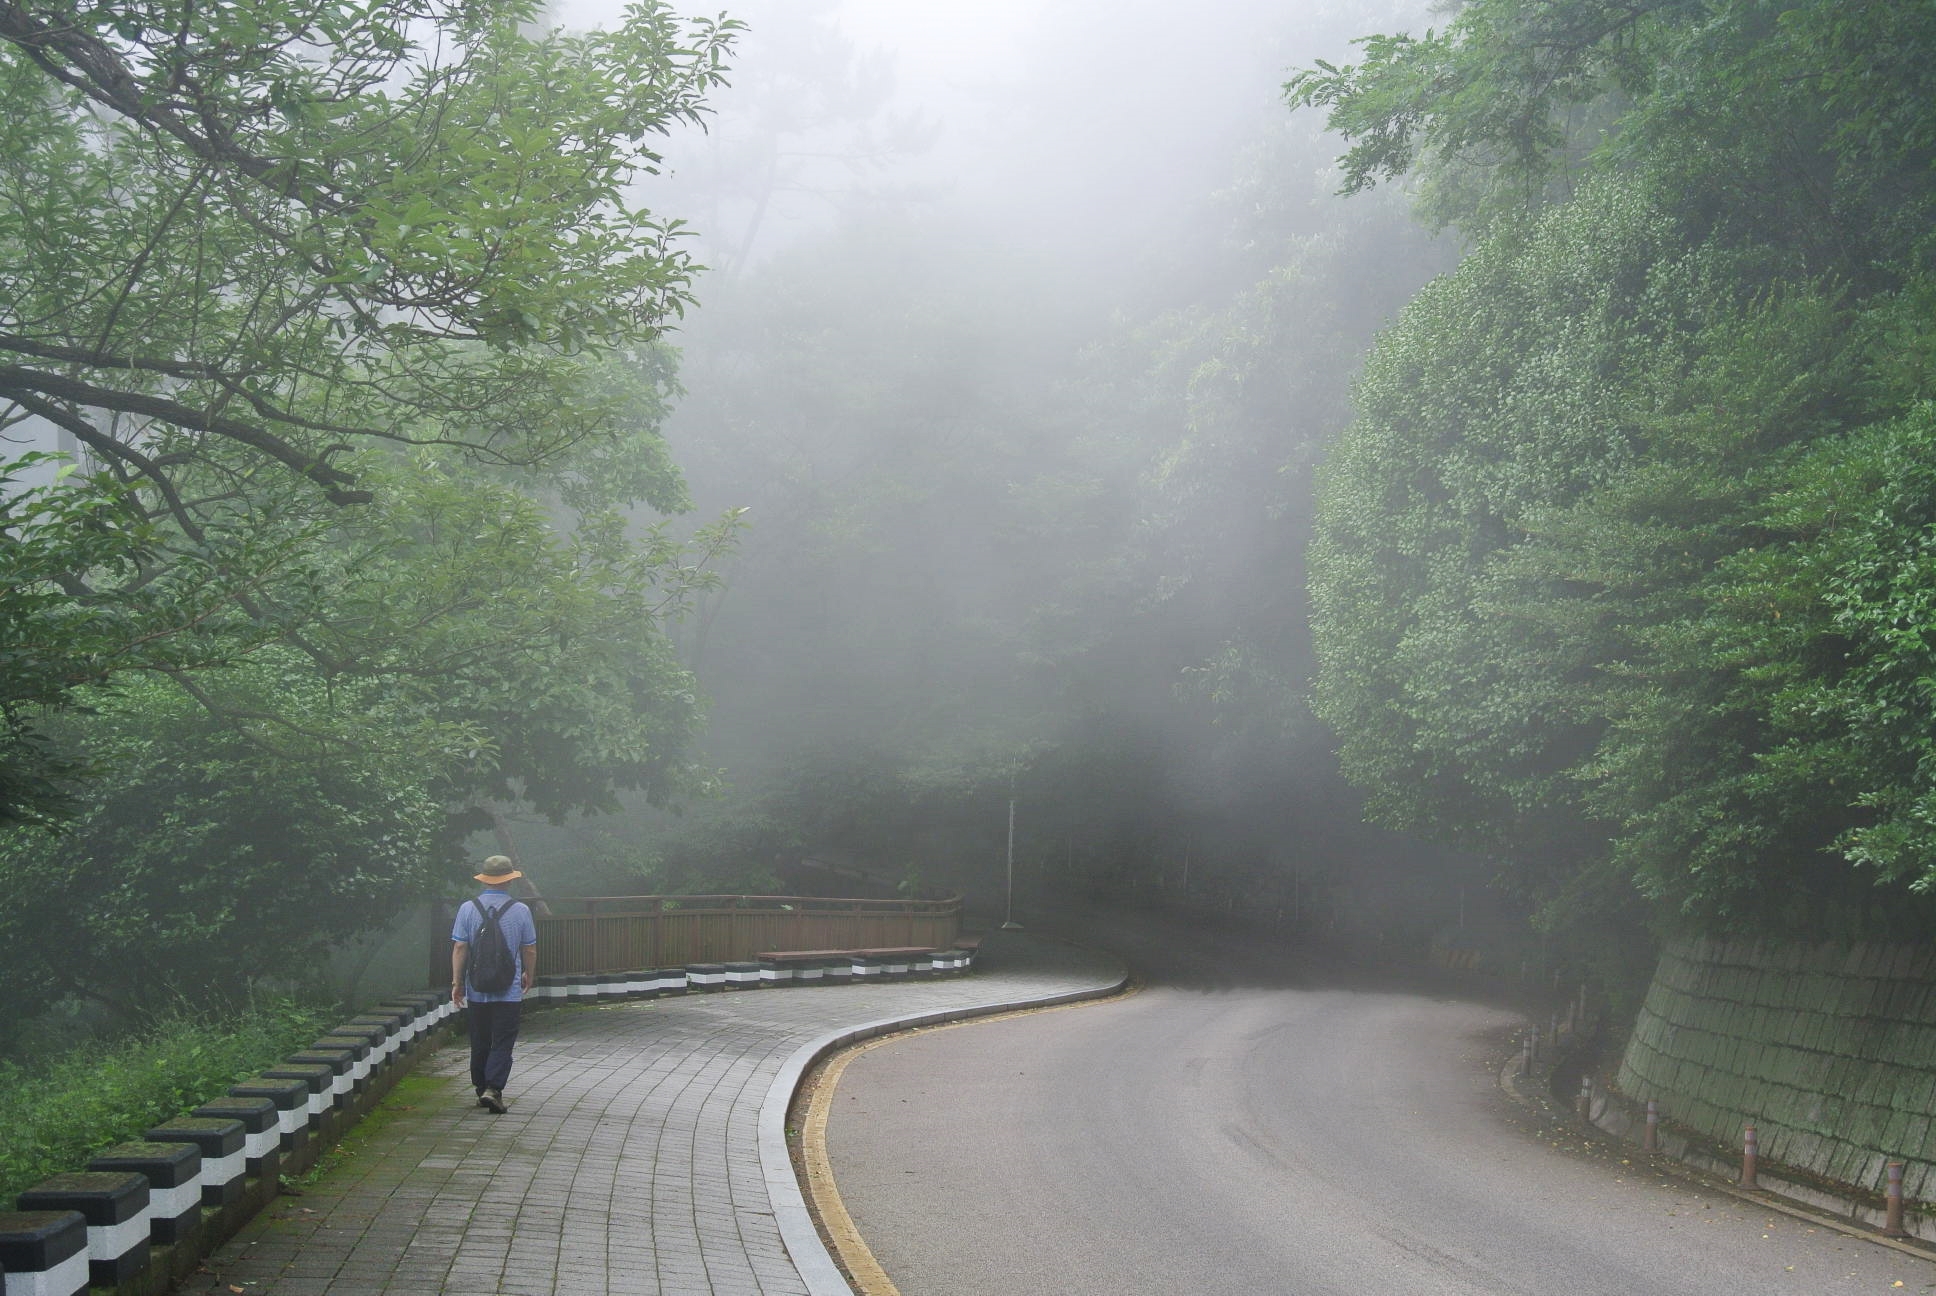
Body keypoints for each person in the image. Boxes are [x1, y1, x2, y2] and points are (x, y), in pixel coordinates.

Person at [451, 856, 538, 1113]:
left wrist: (457, 982)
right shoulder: (520, 910)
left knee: (479, 1039)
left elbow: (460, 947)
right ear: (509, 880)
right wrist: (529, 973)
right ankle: (493, 1088)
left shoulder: (467, 908)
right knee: (502, 1040)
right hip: (508, 990)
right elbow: (529, 949)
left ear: (485, 879)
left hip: (477, 988)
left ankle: (481, 1089)